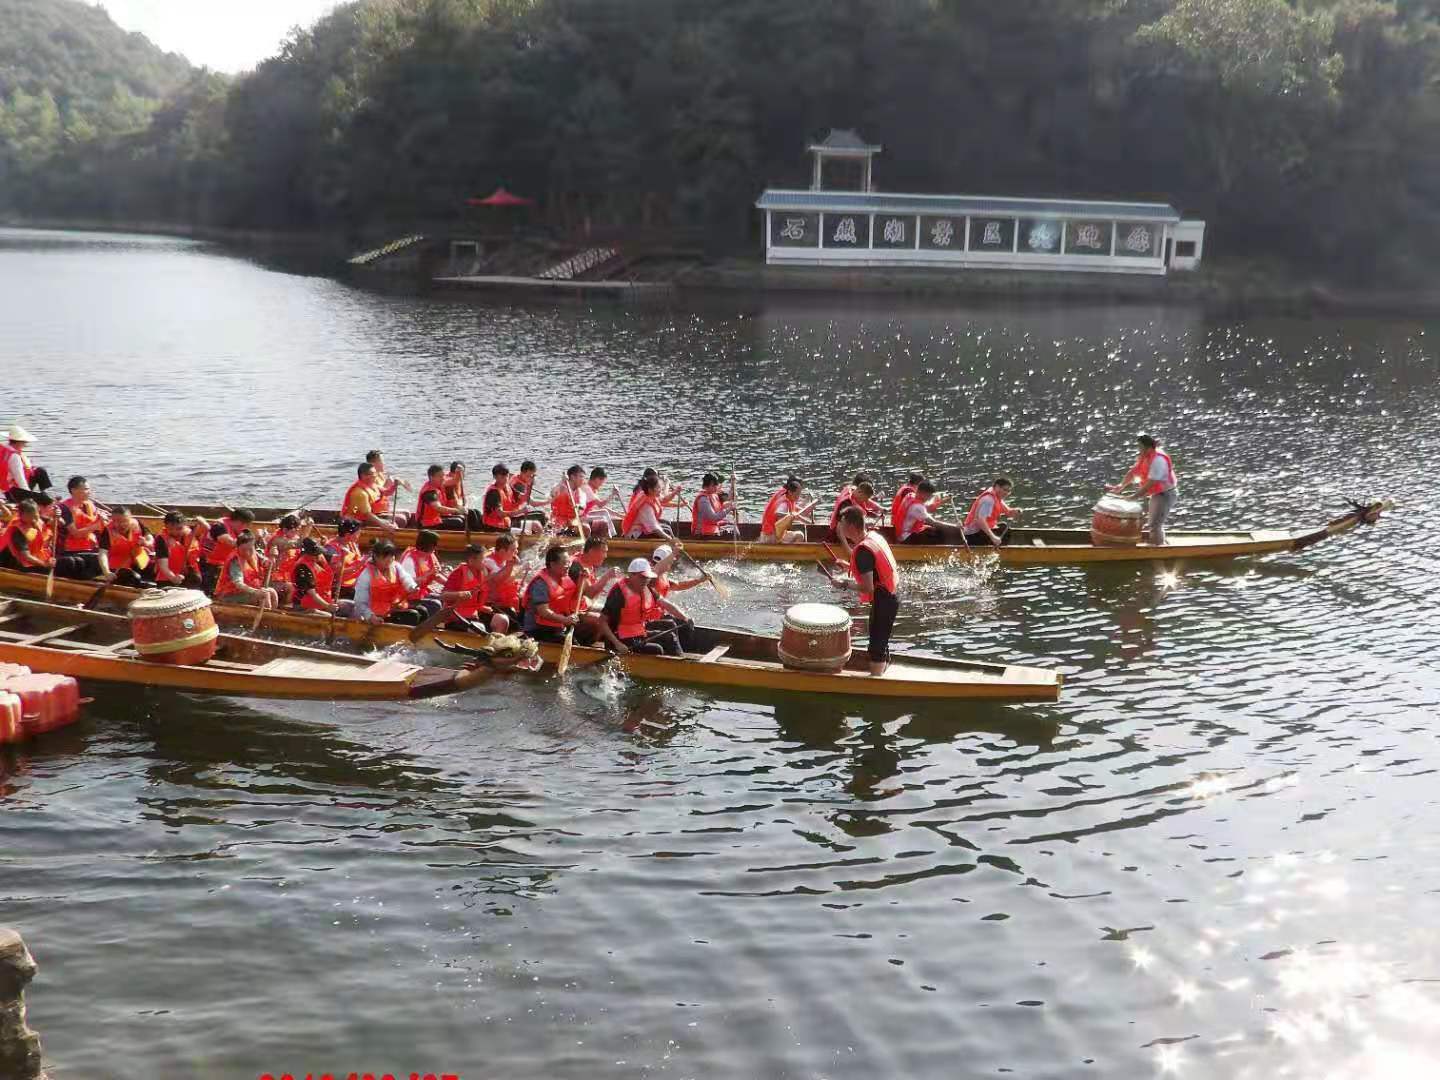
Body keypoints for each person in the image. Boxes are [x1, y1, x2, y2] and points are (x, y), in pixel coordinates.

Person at [831, 505, 901, 676]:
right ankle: (880, 674)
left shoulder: (863, 551)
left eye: (842, 523)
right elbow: (873, 570)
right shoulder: (873, 537)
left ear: (851, 526)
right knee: (880, 640)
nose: (839, 527)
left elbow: (867, 587)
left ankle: (876, 681)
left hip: (884, 599)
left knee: (877, 646)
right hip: (890, 595)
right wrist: (848, 566)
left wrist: (843, 584)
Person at [599, 558, 687, 656]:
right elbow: (602, 621)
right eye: (642, 577)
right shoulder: (618, 593)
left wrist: (684, 618)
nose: (645, 581)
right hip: (619, 638)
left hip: (638, 633)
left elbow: (666, 604)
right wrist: (617, 644)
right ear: (631, 575)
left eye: (647, 578)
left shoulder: (647, 588)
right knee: (657, 649)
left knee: (669, 637)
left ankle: (680, 661)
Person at [1108, 434, 1179, 545]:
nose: (1139, 449)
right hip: (1158, 494)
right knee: (1154, 522)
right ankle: (1161, 544)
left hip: (1165, 494)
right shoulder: (1146, 456)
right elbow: (1133, 472)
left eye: (1140, 447)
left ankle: (1157, 548)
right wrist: (1121, 486)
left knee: (1155, 524)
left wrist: (1134, 497)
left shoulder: (1158, 461)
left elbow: (1150, 483)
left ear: (1149, 448)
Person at [521, 544, 583, 644]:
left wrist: (581, 580)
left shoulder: (565, 578)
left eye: (568, 562)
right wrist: (565, 620)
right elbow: (544, 612)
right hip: (538, 630)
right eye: (564, 563)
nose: (568, 566)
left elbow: (574, 600)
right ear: (553, 565)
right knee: (571, 643)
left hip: (557, 626)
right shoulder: (540, 584)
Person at [440, 545, 509, 633]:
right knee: (479, 628)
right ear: (471, 561)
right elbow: (443, 596)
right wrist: (460, 594)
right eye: (483, 559)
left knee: (502, 620)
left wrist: (510, 565)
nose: (486, 562)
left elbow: (499, 578)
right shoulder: (458, 573)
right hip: (457, 618)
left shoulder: (483, 571)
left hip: (475, 614)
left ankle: (497, 641)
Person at [352, 540, 421, 626]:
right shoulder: (366, 575)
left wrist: (411, 586)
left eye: (391, 556)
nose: (389, 560)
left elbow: (405, 578)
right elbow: (360, 602)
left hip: (394, 607)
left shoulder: (396, 566)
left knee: (422, 611)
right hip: (377, 614)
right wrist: (370, 616)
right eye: (385, 557)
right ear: (376, 557)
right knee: (413, 616)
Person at [57, 476, 111, 578]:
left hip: (91, 547)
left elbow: (100, 525)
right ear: (73, 490)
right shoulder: (64, 508)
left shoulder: (90, 505)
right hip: (71, 550)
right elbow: (75, 533)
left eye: (89, 489)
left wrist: (103, 519)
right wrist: (96, 526)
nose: (89, 492)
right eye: (85, 489)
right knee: (94, 561)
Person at [213, 530, 280, 609]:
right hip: (229, 595)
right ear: (238, 547)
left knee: (272, 592)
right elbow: (239, 584)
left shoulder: (255, 553)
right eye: (244, 550)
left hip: (248, 591)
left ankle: (272, 613)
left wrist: (271, 560)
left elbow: (266, 562)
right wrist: (256, 592)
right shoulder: (235, 561)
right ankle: (266, 615)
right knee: (264, 596)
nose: (247, 553)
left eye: (250, 549)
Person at [200, 508, 257, 594]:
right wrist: (250, 540)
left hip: (226, 564)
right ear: (239, 522)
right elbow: (230, 542)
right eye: (246, 524)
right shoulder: (219, 526)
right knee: (211, 592)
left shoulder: (239, 530)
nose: (246, 528)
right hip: (210, 565)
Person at [292, 538, 349, 615]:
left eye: (318, 552)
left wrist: (342, 555)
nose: (318, 555)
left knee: (349, 606)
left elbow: (333, 558)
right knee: (328, 616)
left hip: (324, 601)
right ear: (306, 554)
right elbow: (313, 594)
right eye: (314, 553)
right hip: (305, 606)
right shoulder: (302, 568)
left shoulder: (319, 556)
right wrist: (328, 606)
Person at [897, 480, 965, 544]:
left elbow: (927, 506)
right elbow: (934, 522)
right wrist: (956, 527)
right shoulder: (917, 507)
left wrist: (943, 500)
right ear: (922, 493)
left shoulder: (911, 495)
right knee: (941, 534)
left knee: (935, 530)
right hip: (906, 538)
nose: (929, 498)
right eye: (929, 496)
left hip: (904, 534)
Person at [101, 507, 155, 587]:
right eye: (115, 521)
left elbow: (150, 537)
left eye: (124, 521)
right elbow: (102, 554)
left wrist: (146, 543)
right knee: (134, 577)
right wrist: (107, 572)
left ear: (130, 518)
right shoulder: (107, 531)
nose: (119, 524)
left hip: (140, 563)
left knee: (156, 568)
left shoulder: (137, 524)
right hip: (119, 568)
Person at [1, 425, 53, 506]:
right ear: (19, 442)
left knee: (40, 471)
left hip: (7, 485)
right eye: (24, 442)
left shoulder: (4, 448)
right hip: (9, 491)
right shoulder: (15, 457)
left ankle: (47, 492)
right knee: (45, 499)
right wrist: (29, 497)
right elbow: (21, 480)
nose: (25, 444)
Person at [0, 500, 56, 574]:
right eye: (31, 516)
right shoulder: (18, 531)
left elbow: (56, 522)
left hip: (38, 557)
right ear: (22, 515)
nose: (34, 519)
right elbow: (27, 556)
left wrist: (56, 516)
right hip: (23, 564)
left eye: (36, 515)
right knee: (48, 570)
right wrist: (45, 564)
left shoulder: (38, 519)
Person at [399, 530, 445, 619]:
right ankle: (428, 625)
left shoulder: (430, 555)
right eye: (434, 545)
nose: (435, 549)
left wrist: (451, 584)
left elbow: (437, 575)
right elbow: (410, 584)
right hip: (408, 597)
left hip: (422, 593)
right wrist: (428, 574)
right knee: (435, 605)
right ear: (429, 546)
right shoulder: (409, 560)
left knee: (445, 598)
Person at [962, 477, 1020, 548]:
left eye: (1008, 491)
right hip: (973, 534)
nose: (1006, 493)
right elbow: (980, 520)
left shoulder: (997, 497)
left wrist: (1015, 511)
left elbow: (1009, 512)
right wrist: (993, 537)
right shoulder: (988, 500)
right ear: (997, 487)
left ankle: (1000, 549)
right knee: (1003, 532)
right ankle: (1000, 551)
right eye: (1004, 490)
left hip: (981, 531)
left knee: (1003, 527)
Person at [342, 463, 398, 532]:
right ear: (363, 476)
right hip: (357, 521)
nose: (375, 475)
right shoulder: (359, 492)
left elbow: (387, 492)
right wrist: (383, 524)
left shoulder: (372, 485)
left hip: (371, 515)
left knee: (406, 514)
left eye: (375, 473)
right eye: (372, 474)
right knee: (399, 520)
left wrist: (395, 485)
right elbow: (367, 514)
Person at [483, 533, 524, 626]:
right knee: (517, 624)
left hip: (506, 600)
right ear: (502, 551)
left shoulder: (505, 556)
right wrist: (518, 568)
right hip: (492, 604)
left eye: (517, 549)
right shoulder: (488, 561)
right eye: (513, 550)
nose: (516, 552)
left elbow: (511, 578)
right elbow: (500, 580)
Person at [154, 511, 203, 588]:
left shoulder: (191, 533)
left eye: (179, 528)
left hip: (190, 576)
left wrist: (202, 522)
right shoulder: (161, 539)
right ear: (166, 526)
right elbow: (163, 565)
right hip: (168, 579)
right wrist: (173, 578)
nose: (175, 532)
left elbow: (208, 530)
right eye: (171, 529)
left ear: (184, 525)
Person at [759, 477, 813, 544]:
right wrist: (792, 515)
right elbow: (778, 513)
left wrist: (806, 504)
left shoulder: (786, 495)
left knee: (798, 530)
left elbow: (795, 509)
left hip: (771, 532)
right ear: (790, 491)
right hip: (771, 535)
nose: (799, 496)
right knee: (800, 535)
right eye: (797, 494)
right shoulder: (784, 502)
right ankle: (791, 550)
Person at [828, 480, 880, 547]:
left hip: (848, 532)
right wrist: (848, 549)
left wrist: (877, 513)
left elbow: (861, 510)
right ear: (860, 492)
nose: (864, 502)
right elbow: (839, 530)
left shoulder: (853, 490)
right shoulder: (846, 504)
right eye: (864, 499)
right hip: (837, 537)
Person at [323, 518, 366, 598]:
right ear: (348, 535)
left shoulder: (351, 543)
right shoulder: (330, 548)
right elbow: (337, 573)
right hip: (341, 588)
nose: (359, 536)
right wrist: (358, 565)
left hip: (357, 583)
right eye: (358, 533)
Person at [365, 450, 409, 526]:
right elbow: (374, 496)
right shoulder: (370, 478)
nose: (383, 463)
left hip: (383, 509)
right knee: (402, 519)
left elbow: (387, 492)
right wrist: (387, 485)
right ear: (372, 464)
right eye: (381, 461)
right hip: (374, 513)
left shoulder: (380, 475)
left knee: (407, 513)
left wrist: (398, 484)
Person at [621, 474, 672, 539]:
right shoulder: (646, 506)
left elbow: (664, 499)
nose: (660, 490)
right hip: (635, 533)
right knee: (667, 531)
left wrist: (674, 491)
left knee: (667, 526)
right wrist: (669, 539)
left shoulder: (649, 495)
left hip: (643, 527)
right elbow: (654, 527)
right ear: (650, 490)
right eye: (658, 487)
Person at [691, 473, 738, 539]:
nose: (716, 487)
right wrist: (729, 509)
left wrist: (733, 483)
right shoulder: (703, 500)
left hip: (713, 528)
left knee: (734, 528)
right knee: (733, 533)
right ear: (706, 486)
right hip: (702, 533)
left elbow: (730, 497)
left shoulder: (714, 494)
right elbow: (714, 518)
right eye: (713, 485)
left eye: (716, 484)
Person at [551, 465, 590, 536]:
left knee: (586, 528)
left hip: (572, 521)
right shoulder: (560, 487)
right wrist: (562, 481)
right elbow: (553, 493)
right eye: (581, 477)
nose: (583, 480)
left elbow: (582, 505)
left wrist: (578, 506)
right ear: (572, 477)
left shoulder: (581, 493)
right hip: (558, 521)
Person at [581, 467, 619, 538]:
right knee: (603, 518)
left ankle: (612, 536)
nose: (601, 485)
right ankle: (610, 538)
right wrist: (612, 495)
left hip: (586, 514)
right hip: (581, 517)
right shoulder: (587, 489)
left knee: (604, 512)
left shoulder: (592, 489)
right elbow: (601, 504)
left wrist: (618, 515)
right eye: (601, 483)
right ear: (596, 479)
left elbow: (600, 507)